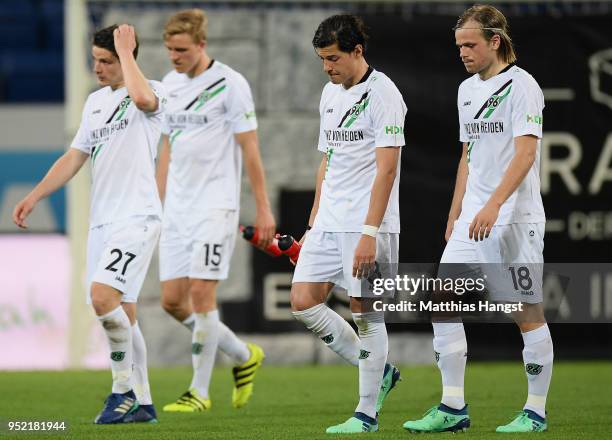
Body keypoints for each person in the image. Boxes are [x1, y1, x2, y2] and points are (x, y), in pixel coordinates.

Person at [402, 4, 552, 434]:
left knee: (525, 310)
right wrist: (457, 211)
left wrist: (494, 205)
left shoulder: (523, 87)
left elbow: (525, 153)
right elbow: (467, 156)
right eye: (459, 46)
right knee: (441, 302)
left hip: (515, 217)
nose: (462, 52)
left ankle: (536, 411)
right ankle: (452, 407)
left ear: (495, 41)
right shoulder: (467, 90)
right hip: (474, 217)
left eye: (470, 44)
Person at [13, 24, 165, 424]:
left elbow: (144, 99)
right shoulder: (95, 103)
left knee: (103, 299)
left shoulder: (152, 89)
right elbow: (75, 156)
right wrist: (35, 195)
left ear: (126, 58)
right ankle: (145, 403)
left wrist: (127, 54)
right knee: (123, 312)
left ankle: (122, 391)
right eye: (95, 60)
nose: (97, 68)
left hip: (137, 216)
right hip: (103, 223)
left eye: (107, 61)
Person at [290, 14, 406, 434]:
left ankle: (366, 413)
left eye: (333, 58)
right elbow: (328, 159)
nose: (327, 67)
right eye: (322, 59)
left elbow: (386, 171)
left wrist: (369, 234)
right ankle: (383, 372)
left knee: (366, 314)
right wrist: (314, 219)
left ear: (358, 51)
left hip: (366, 225)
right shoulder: (329, 93)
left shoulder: (385, 95)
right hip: (329, 221)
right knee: (303, 300)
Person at [156, 9, 276, 412]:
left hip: (215, 205)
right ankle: (244, 356)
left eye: (182, 49)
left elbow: (251, 148)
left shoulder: (230, 83)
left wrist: (262, 208)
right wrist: (158, 201)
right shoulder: (169, 85)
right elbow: (167, 147)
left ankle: (199, 392)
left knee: (201, 293)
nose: (174, 56)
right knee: (173, 301)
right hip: (177, 207)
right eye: (170, 49)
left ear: (202, 45)